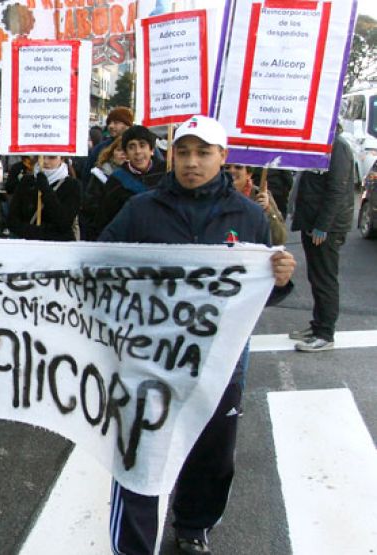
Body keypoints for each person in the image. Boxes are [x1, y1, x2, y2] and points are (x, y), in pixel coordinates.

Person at [101, 115, 296, 555]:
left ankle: (193, 526)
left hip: (219, 366)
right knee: (138, 451)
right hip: (148, 362)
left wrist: (279, 280)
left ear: (222, 157)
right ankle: (131, 543)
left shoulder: (247, 217)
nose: (192, 162)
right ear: (171, 157)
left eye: (203, 152)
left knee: (211, 455)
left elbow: (257, 296)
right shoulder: (140, 210)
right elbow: (99, 265)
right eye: (183, 152)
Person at [288, 133, 355, 352]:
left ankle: (325, 333)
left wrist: (323, 226)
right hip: (312, 221)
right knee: (316, 277)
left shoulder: (339, 147)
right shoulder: (320, 142)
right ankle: (317, 326)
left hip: (327, 227)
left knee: (325, 279)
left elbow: (337, 189)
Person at [83, 126, 164, 241]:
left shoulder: (166, 174)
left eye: (142, 145)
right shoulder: (116, 181)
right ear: (126, 153)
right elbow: (104, 222)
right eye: (132, 146)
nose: (138, 152)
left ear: (151, 150)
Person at [6, 155, 80, 241]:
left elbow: (63, 222)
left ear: (62, 158)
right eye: (42, 157)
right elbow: (12, 220)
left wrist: (45, 189)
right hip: (29, 245)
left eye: (52, 157)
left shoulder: (72, 185)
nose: (45, 161)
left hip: (58, 247)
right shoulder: (26, 181)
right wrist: (33, 232)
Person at [224, 163, 286, 246]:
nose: (231, 170)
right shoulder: (211, 194)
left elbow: (279, 239)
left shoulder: (261, 195)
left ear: (248, 174)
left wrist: (268, 210)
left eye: (238, 167)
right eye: (227, 167)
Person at [82, 106, 134, 185]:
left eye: (116, 122)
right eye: (109, 122)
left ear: (127, 125)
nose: (111, 126)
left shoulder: (139, 145)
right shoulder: (99, 148)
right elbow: (86, 176)